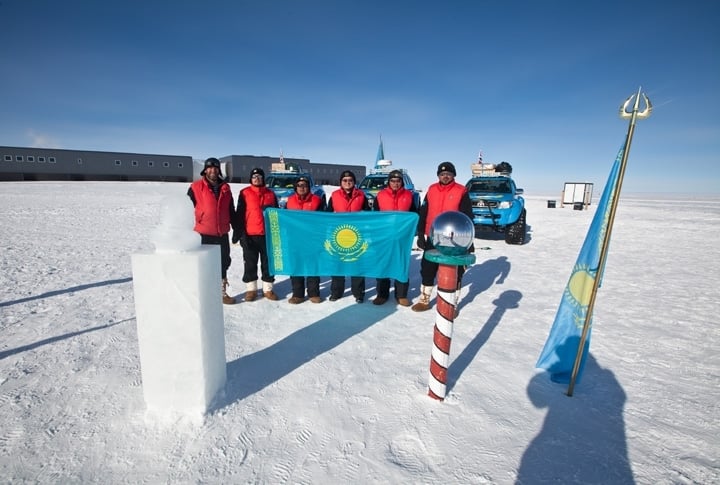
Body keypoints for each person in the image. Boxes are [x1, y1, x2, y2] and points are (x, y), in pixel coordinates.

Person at [412, 161, 474, 312]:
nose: (445, 176)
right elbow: (424, 211)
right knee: (427, 268)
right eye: (442, 174)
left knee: (456, 271)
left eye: (448, 174)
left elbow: (468, 217)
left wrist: (469, 241)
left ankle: (452, 304)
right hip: (434, 237)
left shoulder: (461, 191)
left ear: (453, 175)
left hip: (455, 239)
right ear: (438, 175)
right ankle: (424, 299)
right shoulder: (432, 189)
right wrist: (421, 234)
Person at [187, 157, 237, 305]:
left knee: (223, 262)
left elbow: (230, 210)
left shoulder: (226, 188)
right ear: (205, 170)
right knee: (203, 263)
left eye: (215, 168)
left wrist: (237, 229)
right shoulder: (195, 187)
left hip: (221, 233)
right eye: (209, 168)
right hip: (203, 233)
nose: (212, 170)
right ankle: (202, 292)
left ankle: (221, 292)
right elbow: (187, 209)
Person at [372, 169, 418, 306]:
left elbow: (414, 215)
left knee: (401, 263)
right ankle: (382, 294)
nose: (395, 183)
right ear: (389, 182)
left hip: (402, 236)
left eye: (398, 181)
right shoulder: (380, 195)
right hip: (384, 236)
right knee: (383, 264)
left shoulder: (409, 196)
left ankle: (401, 295)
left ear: (402, 182)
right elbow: (374, 216)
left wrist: (414, 231)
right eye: (393, 181)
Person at [233, 167, 280, 301]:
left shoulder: (271, 194)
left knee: (268, 263)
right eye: (254, 177)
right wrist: (240, 233)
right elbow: (240, 214)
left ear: (263, 178)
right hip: (250, 234)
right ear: (250, 179)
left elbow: (277, 215)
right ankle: (251, 290)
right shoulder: (245, 193)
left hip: (267, 235)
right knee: (250, 263)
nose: (257, 179)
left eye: (259, 176)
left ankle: (268, 289)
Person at [326, 170, 370, 303]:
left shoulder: (362, 195)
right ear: (340, 182)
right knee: (338, 264)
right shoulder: (334, 195)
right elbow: (327, 214)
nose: (347, 182)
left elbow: (368, 214)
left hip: (357, 234)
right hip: (338, 234)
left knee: (357, 263)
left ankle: (358, 293)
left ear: (354, 182)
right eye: (344, 180)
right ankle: (336, 292)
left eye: (350, 180)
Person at [285, 175, 323, 304]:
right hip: (295, 239)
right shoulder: (289, 201)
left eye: (305, 185)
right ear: (296, 187)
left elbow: (323, 220)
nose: (302, 188)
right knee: (296, 266)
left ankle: (313, 293)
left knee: (313, 266)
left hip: (312, 239)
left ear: (309, 187)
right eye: (299, 185)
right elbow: (284, 219)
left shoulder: (317, 200)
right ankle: (298, 294)